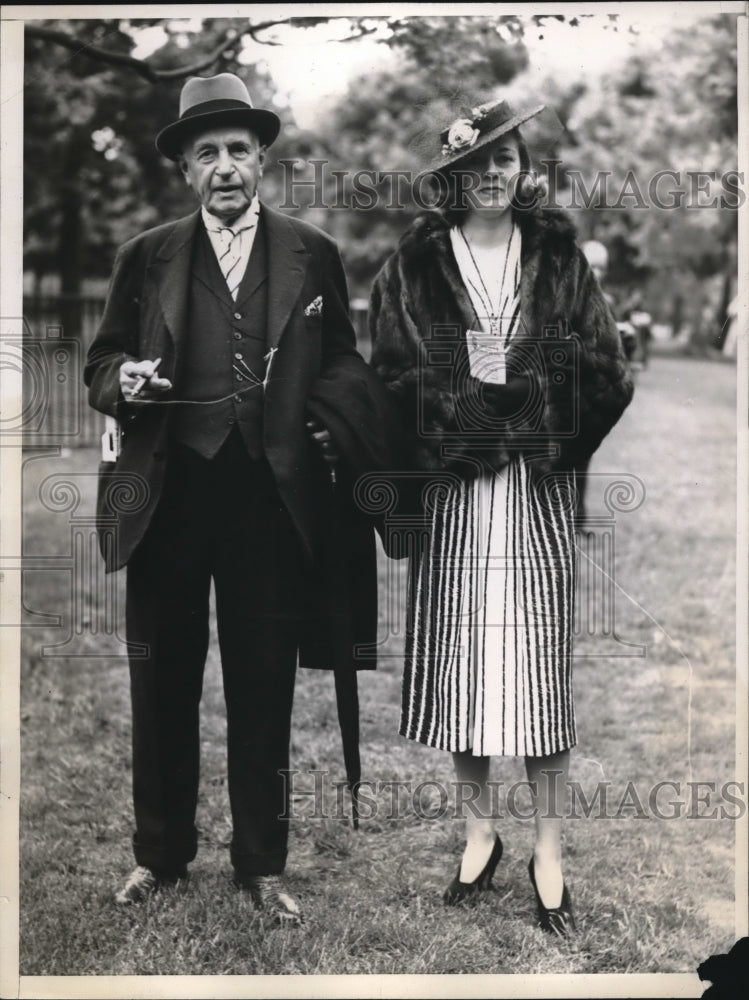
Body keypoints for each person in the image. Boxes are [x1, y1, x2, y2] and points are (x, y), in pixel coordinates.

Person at [84, 73, 391, 921]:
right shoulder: (144, 255)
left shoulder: (311, 252)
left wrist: (334, 416)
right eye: (207, 152)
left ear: (262, 160)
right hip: (167, 496)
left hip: (269, 497)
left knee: (263, 684)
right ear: (185, 167)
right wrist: (126, 381)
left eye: (239, 151)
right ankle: (160, 855)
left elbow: (341, 362)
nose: (225, 166)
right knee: (163, 683)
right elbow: (100, 361)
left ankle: (261, 863)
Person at [369, 98, 634, 935]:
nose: (492, 174)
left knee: (536, 672)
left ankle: (547, 850)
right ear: (451, 173)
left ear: (523, 167)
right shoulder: (412, 263)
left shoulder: (557, 252)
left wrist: (530, 414)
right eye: (475, 163)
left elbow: (605, 369)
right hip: (455, 493)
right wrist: (458, 411)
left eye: (505, 159)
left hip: (535, 491)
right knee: (463, 662)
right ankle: (479, 834)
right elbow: (389, 378)